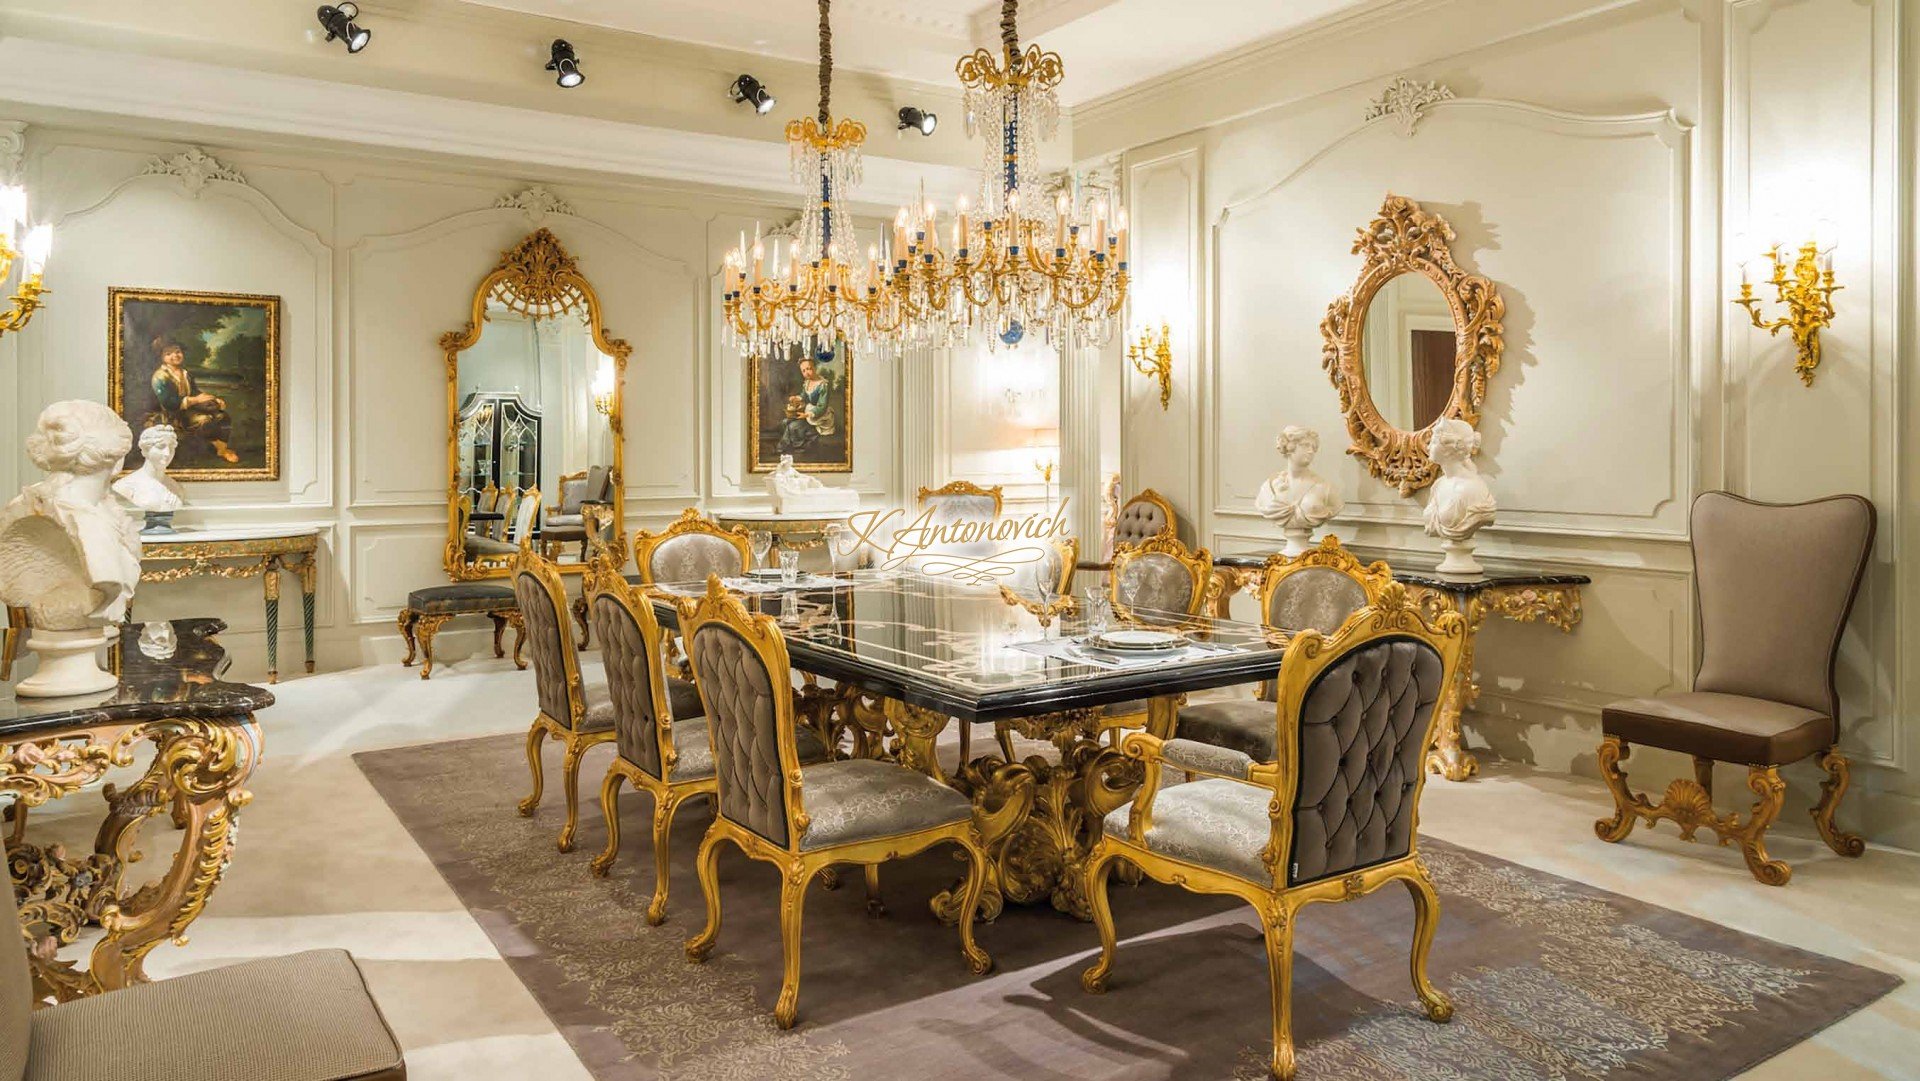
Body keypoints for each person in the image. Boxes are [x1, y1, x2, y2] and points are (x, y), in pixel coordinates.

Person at [148, 337, 238, 464]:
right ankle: (208, 447)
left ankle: (222, 449)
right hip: (173, 415)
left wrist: (213, 399)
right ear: (161, 357)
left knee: (222, 416)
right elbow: (169, 403)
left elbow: (195, 392)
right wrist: (195, 400)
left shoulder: (185, 373)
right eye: (168, 353)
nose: (175, 355)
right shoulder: (160, 376)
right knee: (205, 420)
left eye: (177, 351)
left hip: (190, 410)